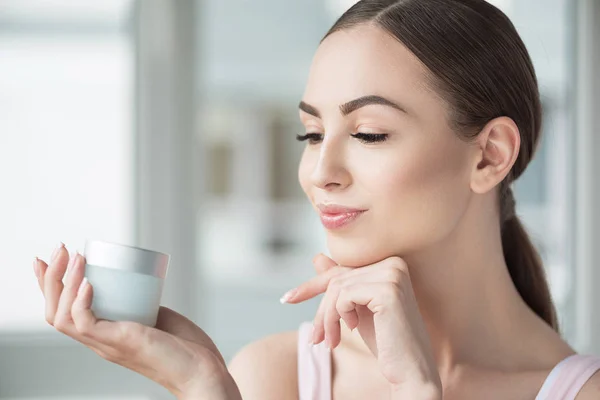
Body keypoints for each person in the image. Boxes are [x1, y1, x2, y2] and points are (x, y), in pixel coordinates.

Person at [32, 0, 600, 399]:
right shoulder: (274, 378)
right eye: (311, 134)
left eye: (369, 134)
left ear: (489, 155)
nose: (319, 173)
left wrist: (417, 393)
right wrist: (203, 388)